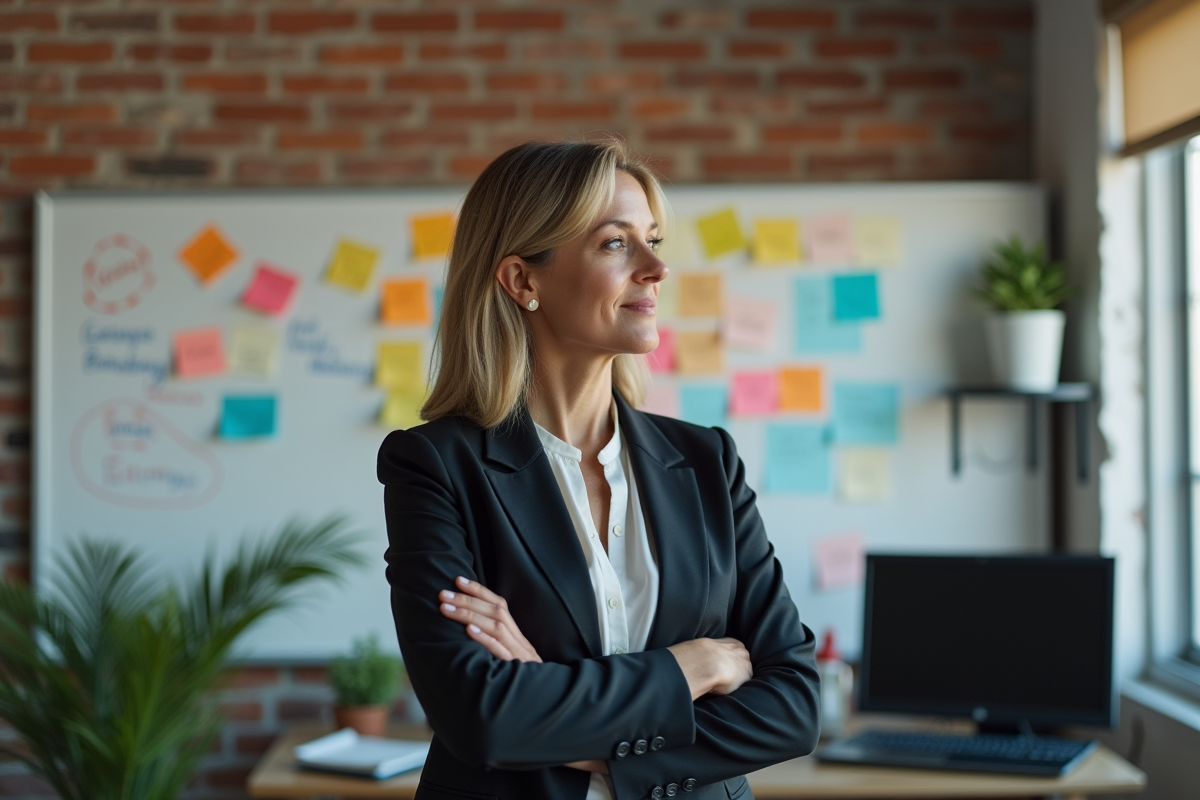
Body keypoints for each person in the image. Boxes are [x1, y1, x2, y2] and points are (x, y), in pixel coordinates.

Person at [378, 140, 820, 800]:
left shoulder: (708, 462)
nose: (657, 268)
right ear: (523, 281)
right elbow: (484, 717)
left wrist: (562, 718)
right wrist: (689, 668)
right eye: (616, 243)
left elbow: (792, 708)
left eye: (653, 240)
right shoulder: (435, 467)